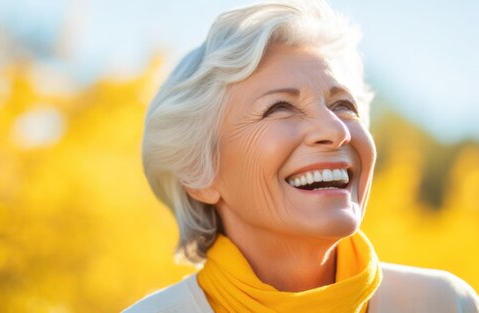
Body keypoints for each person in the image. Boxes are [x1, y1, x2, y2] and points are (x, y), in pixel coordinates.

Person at [125, 1, 479, 312]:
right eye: (280, 107)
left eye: (343, 105)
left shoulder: (446, 304)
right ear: (199, 173)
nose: (336, 130)